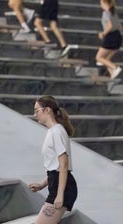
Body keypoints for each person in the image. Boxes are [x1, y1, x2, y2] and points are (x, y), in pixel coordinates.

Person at [28, 96, 78, 224]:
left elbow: (63, 164)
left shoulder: (57, 131)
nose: (35, 115)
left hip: (61, 188)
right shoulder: (54, 131)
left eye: (36, 110)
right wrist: (42, 184)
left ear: (47, 110)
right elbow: (55, 167)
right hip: (56, 184)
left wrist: (60, 194)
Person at [96, 0, 123, 79]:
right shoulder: (114, 13)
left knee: (99, 57)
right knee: (106, 59)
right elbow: (120, 27)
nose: (101, 6)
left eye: (101, 3)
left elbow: (110, 26)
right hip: (118, 37)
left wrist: (103, 34)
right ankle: (112, 74)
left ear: (105, 3)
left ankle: (115, 68)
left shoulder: (106, 13)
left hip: (111, 36)